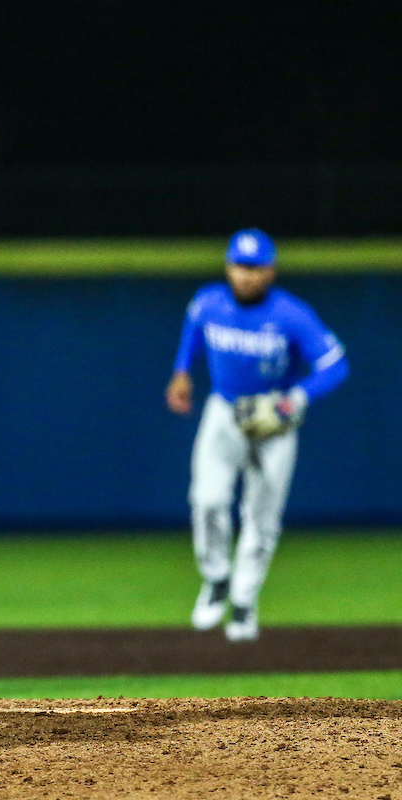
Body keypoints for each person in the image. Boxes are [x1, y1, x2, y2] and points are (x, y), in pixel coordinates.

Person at [165, 228, 348, 642]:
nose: (247, 275)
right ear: (229, 267)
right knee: (207, 501)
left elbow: (335, 365)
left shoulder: (292, 314)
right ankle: (216, 578)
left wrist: (296, 398)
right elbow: (194, 331)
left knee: (261, 518)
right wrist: (181, 371)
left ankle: (244, 602)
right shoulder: (208, 301)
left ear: (271, 271)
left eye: (256, 267)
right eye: (240, 266)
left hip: (273, 420)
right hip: (223, 411)